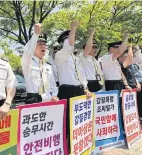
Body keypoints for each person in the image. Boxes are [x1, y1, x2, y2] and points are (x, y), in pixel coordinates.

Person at [54, 20, 92, 153]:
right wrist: (73, 29)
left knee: (79, 122)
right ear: (63, 42)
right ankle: (64, 148)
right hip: (67, 92)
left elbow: (82, 76)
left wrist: (86, 88)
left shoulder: (77, 59)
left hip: (80, 91)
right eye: (69, 39)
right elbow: (68, 47)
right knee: (66, 123)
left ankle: (77, 147)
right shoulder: (59, 56)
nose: (72, 41)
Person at [21, 23, 59, 104]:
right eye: (39, 44)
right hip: (34, 100)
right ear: (34, 46)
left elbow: (53, 86)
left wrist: (54, 95)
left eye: (44, 44)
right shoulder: (27, 62)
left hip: (49, 100)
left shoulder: (48, 66)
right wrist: (35, 34)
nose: (43, 46)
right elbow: (28, 51)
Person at [118, 46, 142, 124]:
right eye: (125, 57)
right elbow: (130, 57)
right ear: (120, 58)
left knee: (132, 107)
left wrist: (137, 84)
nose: (129, 58)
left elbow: (133, 76)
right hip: (127, 89)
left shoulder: (130, 66)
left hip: (133, 89)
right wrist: (130, 46)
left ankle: (133, 121)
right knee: (125, 108)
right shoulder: (121, 65)